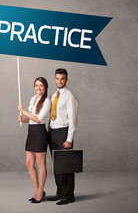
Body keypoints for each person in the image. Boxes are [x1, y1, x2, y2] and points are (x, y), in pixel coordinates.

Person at [48, 68, 79, 205]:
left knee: (66, 166)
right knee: (57, 166)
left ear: (66, 79)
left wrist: (69, 139)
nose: (59, 81)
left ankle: (68, 196)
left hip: (64, 133)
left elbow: (73, 119)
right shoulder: (53, 95)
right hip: (53, 132)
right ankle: (60, 193)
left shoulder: (69, 96)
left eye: (62, 78)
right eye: (57, 78)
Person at [18, 77, 51, 204]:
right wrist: (23, 119)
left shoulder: (47, 101)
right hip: (31, 133)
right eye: (36, 85)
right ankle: (38, 190)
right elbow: (31, 119)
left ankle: (39, 191)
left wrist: (23, 111)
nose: (38, 88)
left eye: (41, 86)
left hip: (40, 133)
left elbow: (38, 119)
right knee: (28, 163)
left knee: (40, 164)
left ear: (45, 87)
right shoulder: (33, 98)